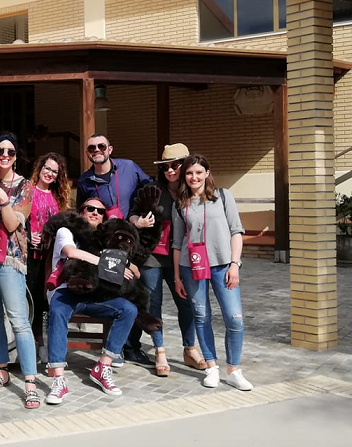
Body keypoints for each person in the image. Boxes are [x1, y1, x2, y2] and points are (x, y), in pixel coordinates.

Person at [44, 197, 138, 405]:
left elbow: (131, 267)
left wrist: (127, 267)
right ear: (81, 212)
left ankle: (103, 367)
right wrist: (106, 262)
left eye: (100, 211)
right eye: (90, 208)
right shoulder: (66, 231)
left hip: (94, 294)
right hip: (66, 291)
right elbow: (71, 252)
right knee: (58, 313)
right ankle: (59, 379)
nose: (95, 213)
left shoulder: (103, 239)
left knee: (129, 309)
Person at [172, 154, 253, 391]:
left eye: (198, 172)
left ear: (207, 173)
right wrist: (177, 277)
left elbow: (236, 231)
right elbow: (177, 243)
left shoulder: (223, 196)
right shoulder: (180, 204)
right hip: (191, 266)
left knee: (234, 318)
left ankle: (234, 370)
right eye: (189, 173)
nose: (194, 177)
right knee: (201, 316)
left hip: (223, 265)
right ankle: (211, 366)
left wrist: (235, 264)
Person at [76, 133, 153, 366]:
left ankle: (132, 346)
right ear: (88, 152)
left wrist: (137, 216)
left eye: (101, 146)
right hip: (108, 245)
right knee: (112, 290)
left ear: (110, 149)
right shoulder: (85, 181)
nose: (97, 150)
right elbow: (83, 213)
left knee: (139, 290)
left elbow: (149, 189)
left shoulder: (129, 167)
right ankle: (115, 347)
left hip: (134, 239)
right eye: (92, 148)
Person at [128, 143, 204, 377]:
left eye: (175, 165)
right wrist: (138, 222)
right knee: (154, 303)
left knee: (186, 302)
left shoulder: (193, 189)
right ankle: (159, 350)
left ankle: (190, 349)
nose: (170, 170)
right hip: (152, 255)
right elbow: (132, 214)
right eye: (165, 166)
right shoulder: (152, 189)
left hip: (182, 256)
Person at [0, 132, 39, 409]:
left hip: (10, 260)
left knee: (19, 321)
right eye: (0, 150)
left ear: (16, 156)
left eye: (10, 152)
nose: (5, 155)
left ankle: (30, 382)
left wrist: (3, 201)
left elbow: (14, 224)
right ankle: (2, 370)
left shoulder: (25, 186)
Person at [27, 152, 71, 361]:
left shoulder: (58, 197)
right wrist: (29, 235)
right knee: (34, 299)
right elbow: (17, 220)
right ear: (40, 168)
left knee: (49, 299)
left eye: (54, 171)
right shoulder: (27, 191)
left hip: (52, 256)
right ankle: (37, 343)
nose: (50, 173)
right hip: (31, 254)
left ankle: (51, 343)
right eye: (47, 168)